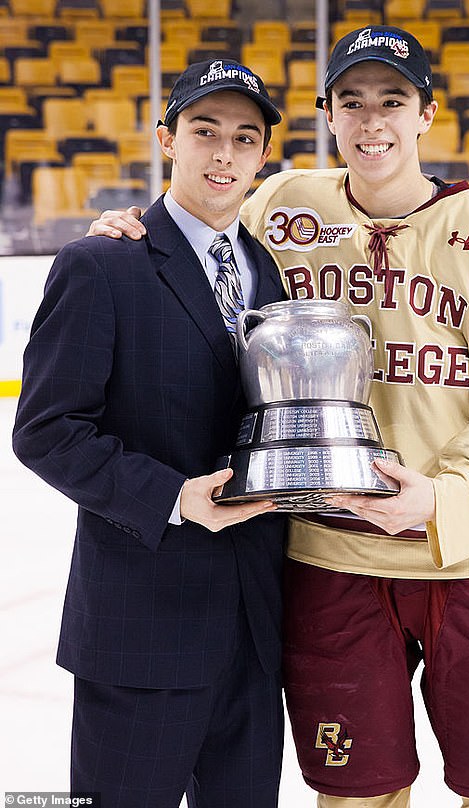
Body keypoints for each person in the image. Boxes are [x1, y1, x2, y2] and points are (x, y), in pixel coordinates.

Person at [88, 26, 469, 808]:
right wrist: (128, 230)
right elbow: (193, 235)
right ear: (327, 115)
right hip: (330, 559)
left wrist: (442, 499)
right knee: (354, 796)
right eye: (352, 102)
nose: (372, 120)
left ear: (427, 114)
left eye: (393, 101)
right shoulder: (284, 207)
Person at [13, 58, 288, 808]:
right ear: (167, 139)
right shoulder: (101, 264)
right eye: (205, 132)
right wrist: (174, 498)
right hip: (141, 636)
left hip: (256, 635)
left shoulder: (271, 272)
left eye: (244, 137)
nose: (223, 154)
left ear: (264, 156)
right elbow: (45, 431)